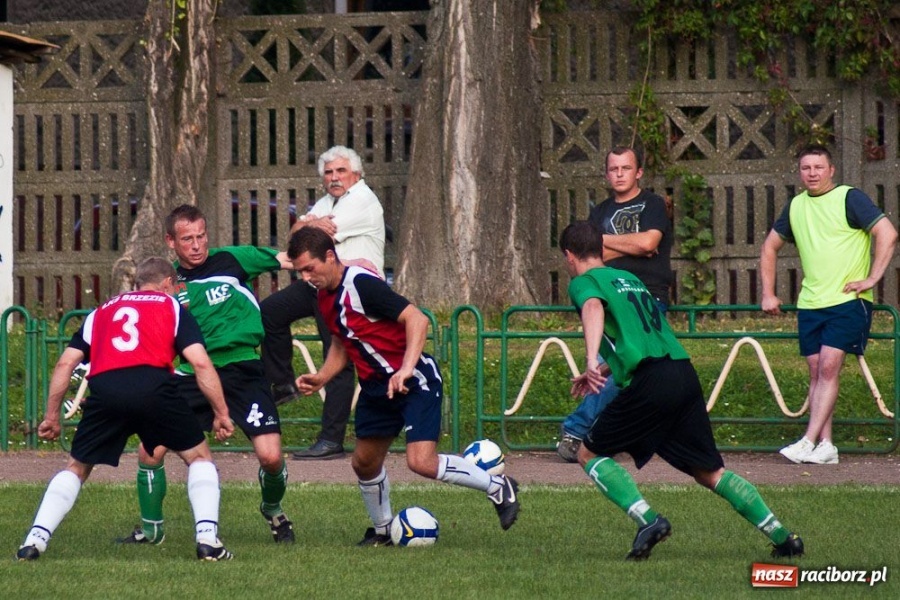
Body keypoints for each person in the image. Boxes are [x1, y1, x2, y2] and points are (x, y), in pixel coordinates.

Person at [560, 220, 803, 560]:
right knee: (709, 471)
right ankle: (783, 537)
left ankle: (648, 520)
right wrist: (604, 367)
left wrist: (589, 358)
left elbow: (592, 307)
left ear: (570, 257)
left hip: (651, 381)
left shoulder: (584, 283)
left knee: (588, 452)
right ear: (602, 249)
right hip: (681, 373)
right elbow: (641, 334)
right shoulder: (629, 279)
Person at [287, 227, 520, 545]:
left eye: (308, 268)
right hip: (375, 388)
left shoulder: (360, 284)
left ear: (329, 256)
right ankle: (383, 530)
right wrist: (323, 376)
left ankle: (498, 488)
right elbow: (344, 342)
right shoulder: (325, 297)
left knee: (421, 462)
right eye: (299, 271)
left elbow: (417, 319)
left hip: (414, 380)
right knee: (364, 463)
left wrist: (406, 368)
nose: (305, 277)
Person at [17, 258, 235, 562]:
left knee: (76, 468)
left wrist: (52, 416)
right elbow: (200, 362)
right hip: (154, 386)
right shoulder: (172, 307)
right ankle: (208, 540)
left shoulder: (101, 311)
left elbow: (66, 363)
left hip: (106, 389)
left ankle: (34, 540)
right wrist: (221, 413)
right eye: (175, 287)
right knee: (198, 457)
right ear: (167, 284)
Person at [120, 205, 297, 546]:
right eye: (188, 239)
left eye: (201, 236)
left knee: (271, 457)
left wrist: (348, 264)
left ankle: (273, 509)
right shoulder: (166, 283)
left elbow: (293, 259)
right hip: (192, 374)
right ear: (171, 241)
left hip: (243, 370)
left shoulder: (232, 260)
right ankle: (151, 529)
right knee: (149, 451)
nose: (197, 245)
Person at [761, 145, 897, 465]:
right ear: (800, 172)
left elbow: (887, 233)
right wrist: (768, 292)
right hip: (811, 302)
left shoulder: (850, 198)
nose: (812, 173)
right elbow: (769, 247)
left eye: (818, 167)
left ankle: (807, 440)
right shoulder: (795, 206)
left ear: (831, 169)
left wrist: (872, 278)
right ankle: (827, 446)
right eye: (806, 168)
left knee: (828, 367)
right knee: (816, 371)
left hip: (848, 301)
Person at [261, 145, 385, 461]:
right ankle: (283, 383)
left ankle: (331, 439)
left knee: (337, 359)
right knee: (270, 311)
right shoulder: (329, 202)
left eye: (341, 171)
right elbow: (296, 239)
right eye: (329, 172)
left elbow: (318, 240)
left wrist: (310, 224)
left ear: (356, 174)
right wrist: (310, 224)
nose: (334, 177)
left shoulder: (362, 200)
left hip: (351, 288)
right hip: (321, 282)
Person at [558, 146, 673, 463]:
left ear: (638, 172)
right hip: (605, 295)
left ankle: (581, 430)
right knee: (618, 367)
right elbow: (595, 257)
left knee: (635, 367)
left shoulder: (652, 204)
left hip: (645, 295)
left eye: (626, 168)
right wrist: (629, 245)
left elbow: (648, 243)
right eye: (613, 169)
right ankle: (587, 432)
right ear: (606, 174)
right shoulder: (601, 211)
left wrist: (604, 240)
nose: (619, 174)